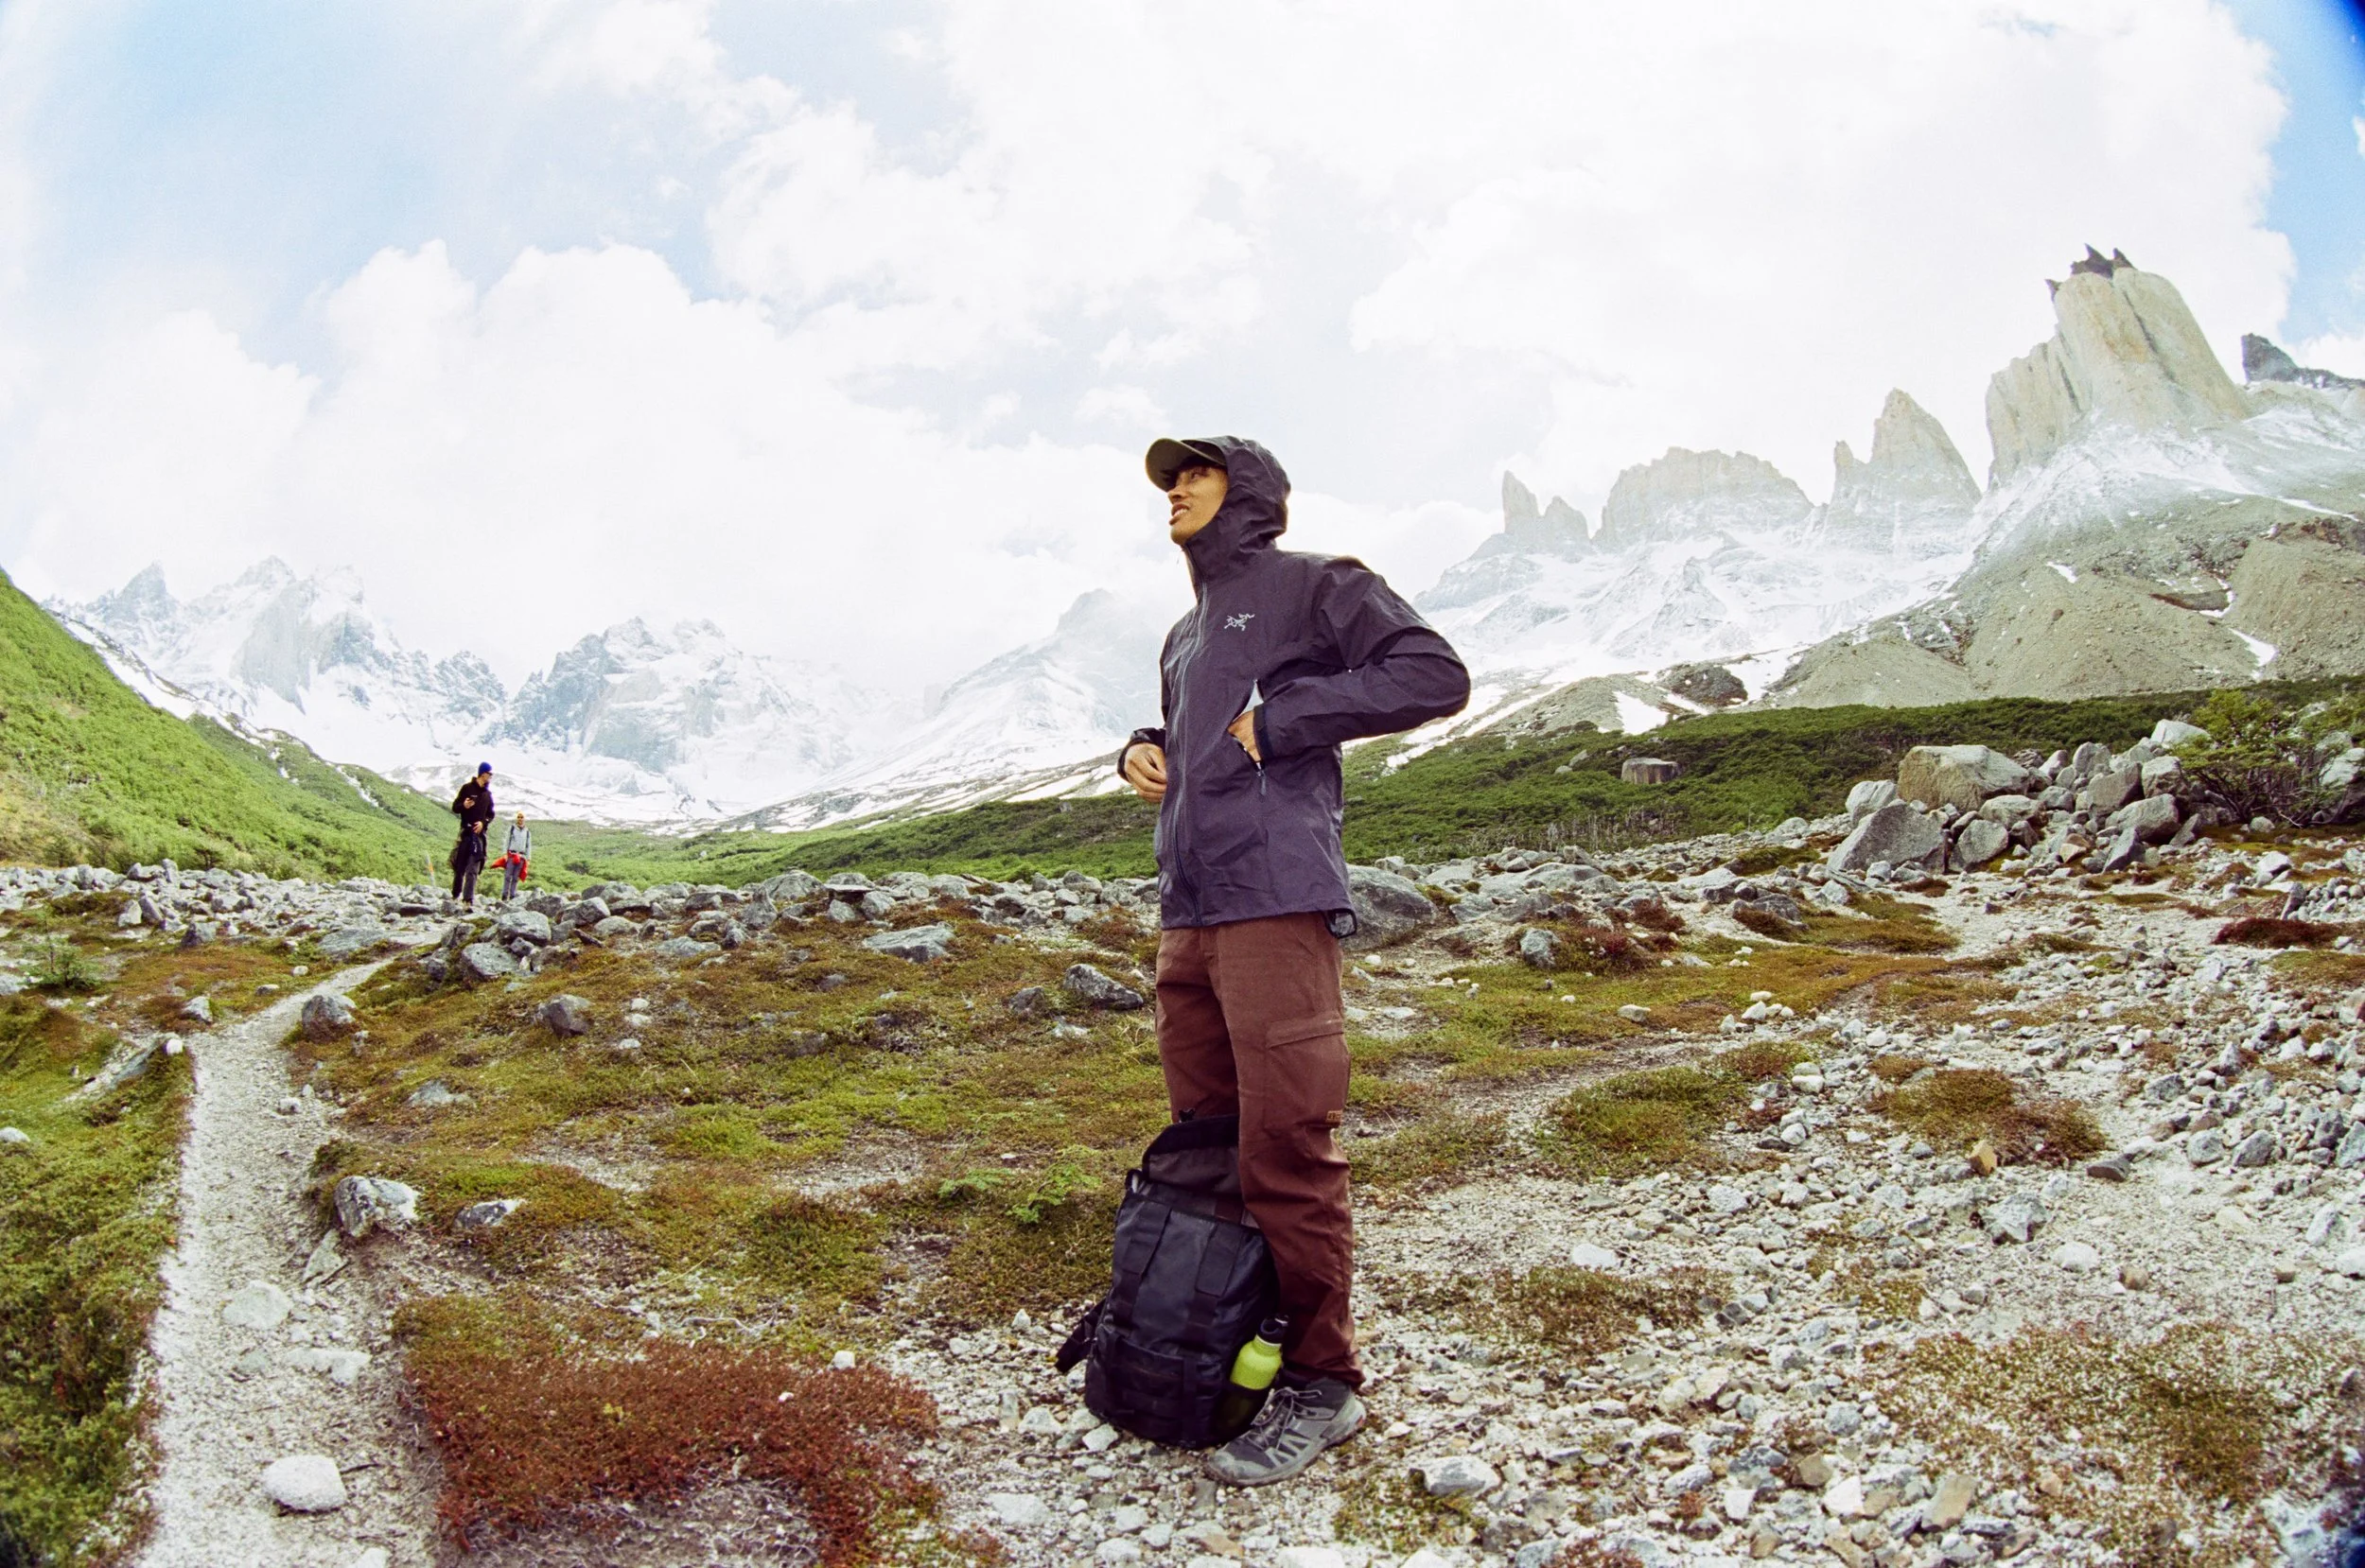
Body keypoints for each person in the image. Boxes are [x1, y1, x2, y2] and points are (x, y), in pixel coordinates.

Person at [1117, 436, 1470, 1486]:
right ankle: (1226, 1330)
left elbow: (1432, 671)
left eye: (1194, 474)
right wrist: (1142, 744)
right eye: (1167, 480)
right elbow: (1203, 734)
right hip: (1190, 910)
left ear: (1249, 491)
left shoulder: (1320, 584)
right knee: (1207, 1141)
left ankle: (1324, 1380)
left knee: (1285, 1147)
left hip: (1274, 899)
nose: (1173, 491)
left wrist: (1289, 718)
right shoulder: (1185, 631)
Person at [448, 763, 496, 908]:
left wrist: (483, 823)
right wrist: (464, 806)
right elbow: (455, 808)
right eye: (489, 774)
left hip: (479, 836)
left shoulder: (488, 795)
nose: (491, 777)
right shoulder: (467, 788)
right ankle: (455, 894)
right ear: (483, 774)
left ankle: (468, 900)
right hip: (466, 833)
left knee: (473, 868)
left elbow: (491, 814)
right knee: (460, 866)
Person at [500, 811, 532, 901]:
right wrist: (505, 853)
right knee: (507, 876)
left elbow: (528, 845)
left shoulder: (527, 832)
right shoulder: (512, 829)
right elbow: (507, 841)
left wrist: (528, 858)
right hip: (511, 855)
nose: (520, 818)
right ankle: (504, 895)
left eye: (522, 817)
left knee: (515, 877)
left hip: (521, 857)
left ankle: (512, 895)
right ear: (516, 818)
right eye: (519, 817)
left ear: (524, 819)